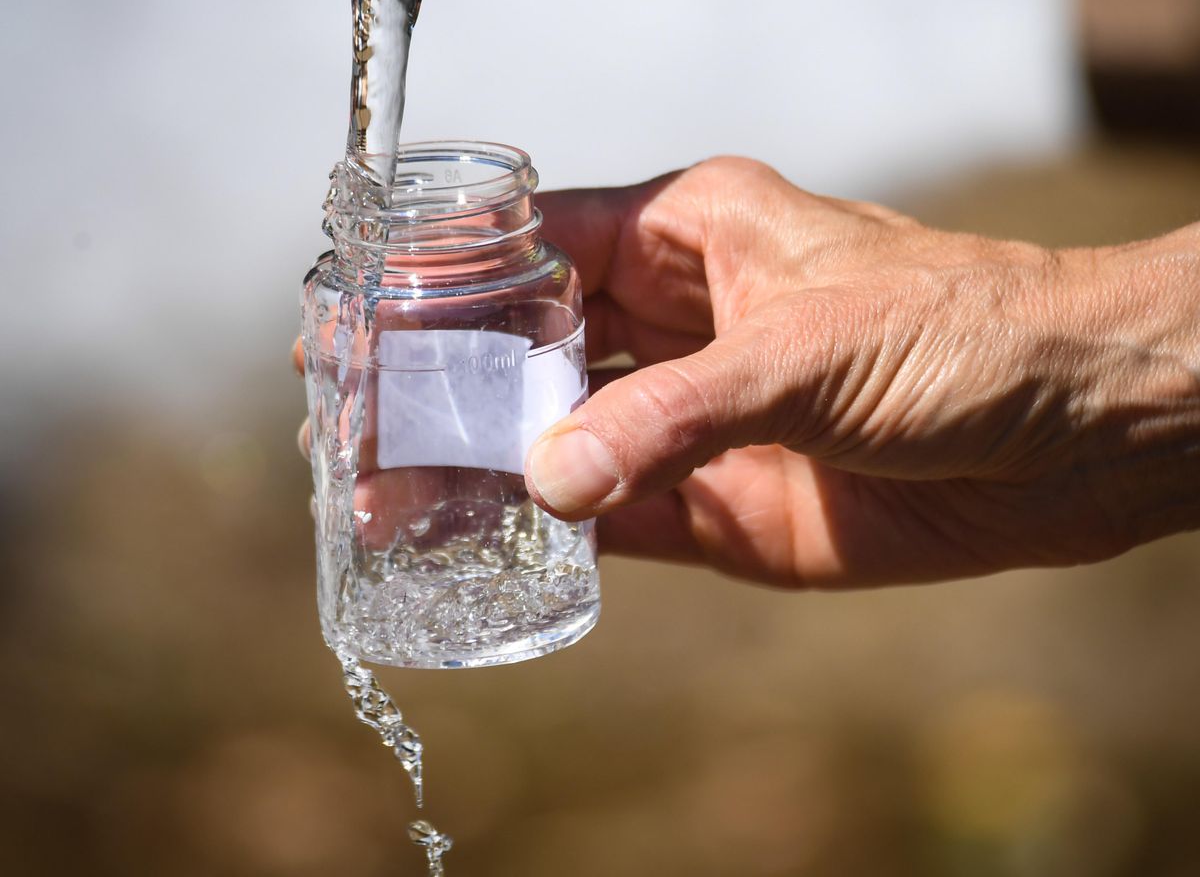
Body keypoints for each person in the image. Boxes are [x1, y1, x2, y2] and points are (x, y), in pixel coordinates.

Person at [297, 156, 1200, 589]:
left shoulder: (548, 278)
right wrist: (1100, 444)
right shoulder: (366, 288)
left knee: (383, 439)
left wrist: (1096, 381)